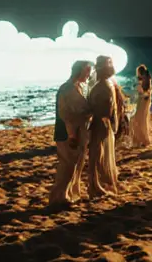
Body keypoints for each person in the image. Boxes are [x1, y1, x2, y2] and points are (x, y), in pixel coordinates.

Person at [49, 60, 93, 206]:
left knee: (75, 164)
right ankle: (58, 196)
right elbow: (66, 114)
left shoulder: (78, 87)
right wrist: (72, 135)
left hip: (77, 131)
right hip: (67, 133)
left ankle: (69, 193)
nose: (89, 74)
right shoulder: (68, 89)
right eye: (87, 71)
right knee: (67, 165)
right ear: (79, 71)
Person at [86, 55, 121, 198]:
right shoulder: (105, 85)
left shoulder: (103, 85)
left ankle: (98, 184)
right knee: (99, 153)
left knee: (99, 154)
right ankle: (98, 184)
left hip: (102, 123)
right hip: (103, 123)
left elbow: (106, 107)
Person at [130, 64, 152, 148]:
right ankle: (141, 140)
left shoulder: (143, 81)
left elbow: (144, 94)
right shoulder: (147, 80)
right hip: (144, 103)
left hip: (143, 103)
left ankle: (141, 140)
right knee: (142, 120)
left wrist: (139, 90)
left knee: (138, 120)